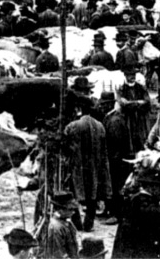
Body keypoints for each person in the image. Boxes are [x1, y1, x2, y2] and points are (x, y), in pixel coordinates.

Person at [63, 99, 112, 232]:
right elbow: (104, 151)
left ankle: (77, 222)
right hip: (94, 167)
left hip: (78, 167)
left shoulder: (72, 126)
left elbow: (66, 148)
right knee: (92, 195)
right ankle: (89, 223)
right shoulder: (100, 126)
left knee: (74, 193)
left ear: (80, 110)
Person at [98, 91, 131, 225]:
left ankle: (117, 214)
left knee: (116, 187)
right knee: (110, 186)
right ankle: (109, 209)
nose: (101, 107)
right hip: (112, 159)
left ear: (110, 105)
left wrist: (112, 160)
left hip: (116, 160)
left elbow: (116, 144)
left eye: (104, 104)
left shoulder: (115, 120)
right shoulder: (110, 117)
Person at [116, 66, 152, 155]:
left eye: (134, 74)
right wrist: (138, 102)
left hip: (140, 118)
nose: (133, 76)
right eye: (130, 75)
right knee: (129, 139)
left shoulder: (141, 88)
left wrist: (131, 103)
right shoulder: (122, 89)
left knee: (141, 138)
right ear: (125, 76)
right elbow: (122, 103)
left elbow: (147, 101)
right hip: (128, 118)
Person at [42, 191, 80, 259]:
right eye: (70, 209)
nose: (73, 212)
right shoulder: (56, 227)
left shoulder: (67, 222)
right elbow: (58, 254)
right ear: (60, 210)